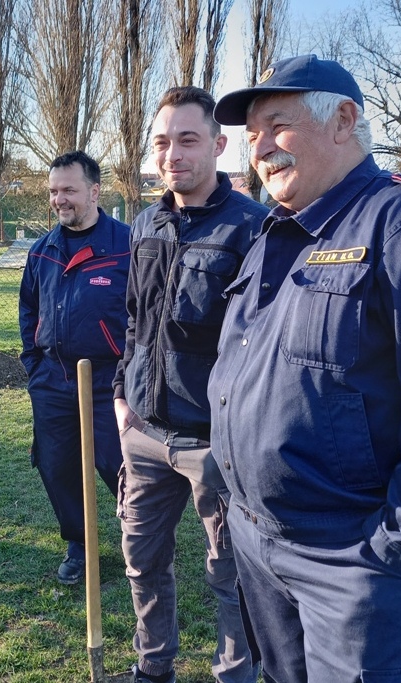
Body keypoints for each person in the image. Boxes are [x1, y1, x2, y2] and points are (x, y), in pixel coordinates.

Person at [208, 54, 401, 682]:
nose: (261, 149)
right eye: (252, 136)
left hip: (349, 558)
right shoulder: (279, 232)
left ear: (344, 120)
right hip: (257, 540)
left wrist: (393, 547)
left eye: (277, 125)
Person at [112, 86, 268, 683]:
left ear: (219, 145)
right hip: (145, 434)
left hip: (217, 444)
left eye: (187, 140)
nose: (171, 154)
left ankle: (235, 675)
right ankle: (153, 669)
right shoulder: (146, 224)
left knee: (230, 575)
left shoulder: (253, 229)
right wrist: (123, 394)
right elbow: (135, 318)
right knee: (141, 561)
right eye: (161, 142)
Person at [18, 151, 131, 584]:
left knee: (119, 466)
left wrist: (130, 372)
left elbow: (145, 313)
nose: (59, 199)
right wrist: (33, 363)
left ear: (94, 191)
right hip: (53, 380)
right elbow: (29, 309)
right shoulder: (43, 251)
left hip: (110, 382)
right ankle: (80, 545)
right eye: (52, 191)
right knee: (56, 464)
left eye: (68, 189)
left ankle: (140, 542)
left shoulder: (126, 245)